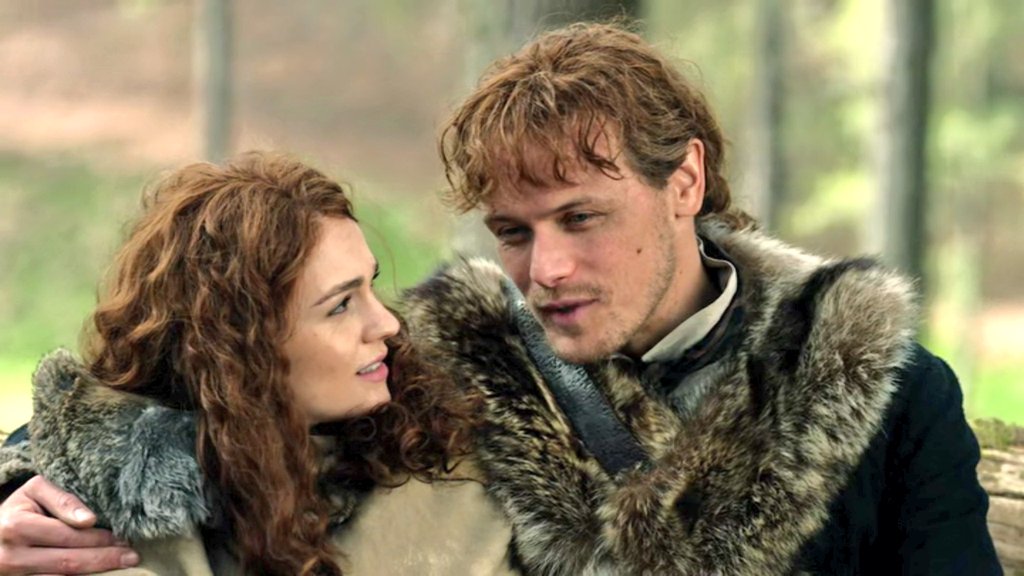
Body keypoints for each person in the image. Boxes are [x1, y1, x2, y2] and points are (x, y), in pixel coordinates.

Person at [1, 21, 1003, 575]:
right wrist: (16, 494)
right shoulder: (445, 360)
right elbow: (185, 378)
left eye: (581, 218)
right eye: (514, 233)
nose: (545, 270)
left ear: (685, 181)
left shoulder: (882, 392)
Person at [0, 152, 516, 575]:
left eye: (370, 286)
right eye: (340, 305)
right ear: (242, 348)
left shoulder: (461, 481)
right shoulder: (78, 507)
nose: (387, 324)